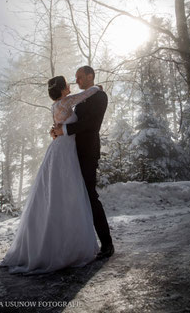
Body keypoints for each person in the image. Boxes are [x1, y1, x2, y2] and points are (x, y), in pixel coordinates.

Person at [0, 76, 102, 274]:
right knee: (67, 189)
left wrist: (56, 131)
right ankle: (66, 246)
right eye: (67, 84)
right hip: (65, 150)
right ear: (63, 89)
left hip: (58, 147)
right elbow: (87, 93)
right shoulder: (67, 101)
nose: (71, 85)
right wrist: (97, 87)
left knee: (56, 190)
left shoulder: (55, 106)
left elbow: (59, 126)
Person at [53, 66, 114, 259]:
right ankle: (75, 244)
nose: (77, 81)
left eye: (80, 77)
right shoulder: (78, 100)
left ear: (90, 76)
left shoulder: (100, 97)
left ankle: (107, 244)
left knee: (89, 195)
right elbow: (69, 119)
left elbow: (92, 124)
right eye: (76, 78)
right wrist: (57, 129)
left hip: (87, 152)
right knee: (72, 197)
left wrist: (66, 130)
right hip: (70, 152)